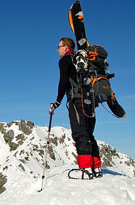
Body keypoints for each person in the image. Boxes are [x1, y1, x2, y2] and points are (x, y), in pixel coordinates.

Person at [49, 37, 102, 179]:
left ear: (66, 47)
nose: (57, 49)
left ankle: (85, 168)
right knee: (89, 133)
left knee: (80, 133)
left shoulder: (65, 60)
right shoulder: (82, 60)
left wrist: (57, 102)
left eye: (59, 46)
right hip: (90, 99)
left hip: (77, 99)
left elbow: (63, 81)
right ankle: (96, 167)